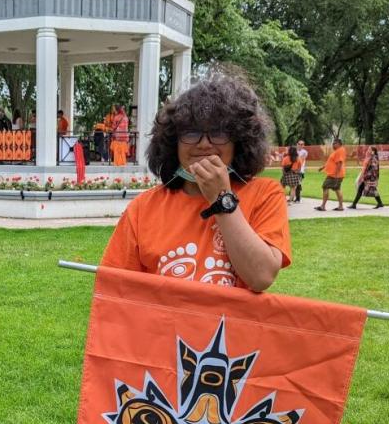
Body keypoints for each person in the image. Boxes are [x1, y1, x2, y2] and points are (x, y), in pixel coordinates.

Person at [101, 69, 291, 293]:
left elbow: (261, 276)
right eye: (191, 133)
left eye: (218, 133)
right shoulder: (143, 208)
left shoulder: (265, 194)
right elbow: (116, 290)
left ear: (239, 141)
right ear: (174, 142)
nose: (203, 144)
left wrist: (221, 199)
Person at [315, 138, 346, 211]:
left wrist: (336, 175)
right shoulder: (337, 151)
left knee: (325, 187)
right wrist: (323, 167)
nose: (333, 145)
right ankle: (340, 206)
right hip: (335, 174)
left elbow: (339, 163)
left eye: (334, 143)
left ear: (338, 144)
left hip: (334, 175)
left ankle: (323, 206)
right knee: (337, 189)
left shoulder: (339, 151)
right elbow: (331, 161)